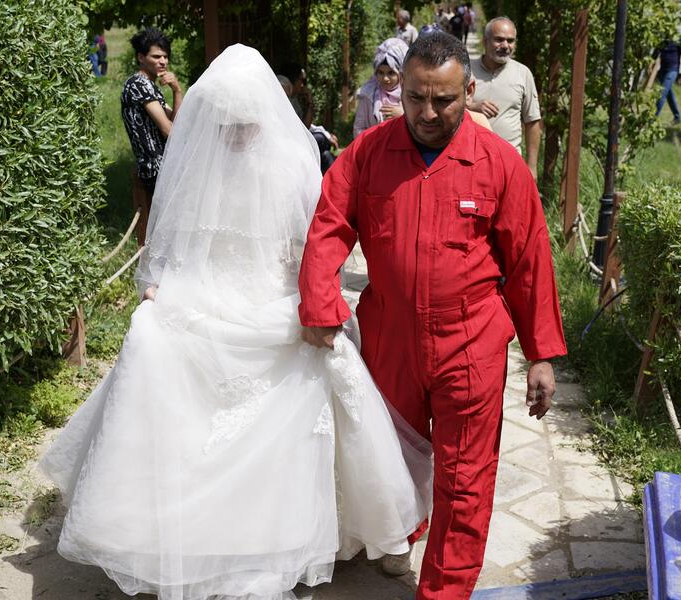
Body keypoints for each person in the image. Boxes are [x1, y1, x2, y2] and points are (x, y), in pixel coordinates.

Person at [40, 44, 431, 600]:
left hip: (272, 295)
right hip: (208, 293)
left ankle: (317, 528)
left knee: (322, 357)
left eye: (245, 122)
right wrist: (160, 283)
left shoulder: (295, 161)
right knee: (151, 339)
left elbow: (312, 245)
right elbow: (174, 241)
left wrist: (314, 299)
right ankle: (167, 530)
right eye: (227, 123)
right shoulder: (197, 161)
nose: (237, 133)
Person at [298, 32, 566, 599]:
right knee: (393, 452)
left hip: (469, 341)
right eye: (416, 97)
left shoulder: (499, 164)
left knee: (464, 479)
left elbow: (528, 261)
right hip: (389, 333)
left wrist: (540, 354)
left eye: (442, 100)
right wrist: (320, 300)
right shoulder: (369, 152)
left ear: (467, 92)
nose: (426, 112)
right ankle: (402, 529)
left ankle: (443, 589)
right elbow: (329, 224)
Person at [121, 28, 184, 245]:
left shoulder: (150, 86)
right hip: (154, 168)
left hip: (163, 166)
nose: (163, 61)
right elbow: (169, 131)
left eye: (165, 56)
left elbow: (175, 123)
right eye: (156, 56)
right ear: (141, 57)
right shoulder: (138, 84)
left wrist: (177, 90)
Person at [469, 17, 541, 180]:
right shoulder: (466, 70)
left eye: (510, 41)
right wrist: (472, 107)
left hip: (509, 163)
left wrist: (531, 167)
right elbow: (448, 107)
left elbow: (532, 122)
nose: (505, 46)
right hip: (471, 161)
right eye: (499, 40)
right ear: (485, 41)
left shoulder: (523, 74)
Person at [353, 37, 408, 138]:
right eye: (380, 73)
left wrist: (404, 115)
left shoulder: (411, 95)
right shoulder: (368, 94)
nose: (385, 78)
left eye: (391, 73)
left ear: (401, 73)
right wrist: (379, 138)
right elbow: (358, 129)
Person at [653, 39, 681, 125]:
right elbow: (655, 53)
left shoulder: (679, 39)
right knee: (668, 94)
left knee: (662, 93)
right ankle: (677, 117)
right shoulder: (662, 40)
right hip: (662, 71)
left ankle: (652, 119)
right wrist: (650, 65)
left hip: (672, 70)